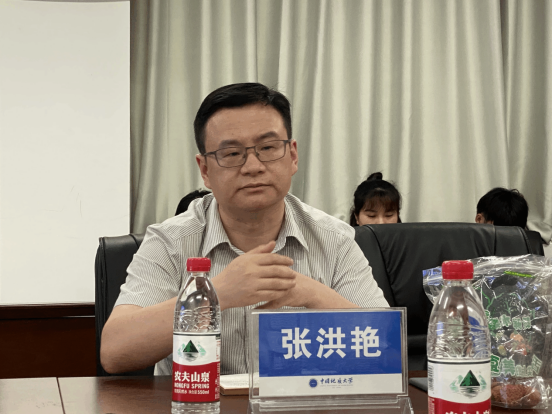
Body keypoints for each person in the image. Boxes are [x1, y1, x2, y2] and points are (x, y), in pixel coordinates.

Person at [100, 83, 388, 376]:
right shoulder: (171, 241)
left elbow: (388, 349)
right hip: (199, 400)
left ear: (293, 156)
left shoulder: (333, 239)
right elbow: (114, 351)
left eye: (268, 148)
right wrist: (217, 294)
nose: (253, 166)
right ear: (205, 170)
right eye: (232, 153)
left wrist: (311, 294)